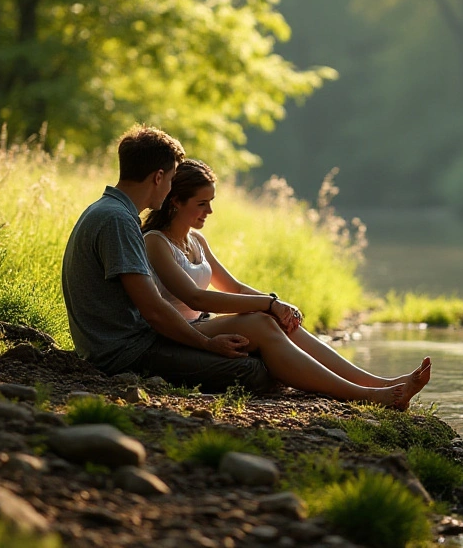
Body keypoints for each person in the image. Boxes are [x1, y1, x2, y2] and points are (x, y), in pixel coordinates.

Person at [142, 159, 431, 409]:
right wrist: (268, 304)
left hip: (202, 323)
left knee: (277, 321)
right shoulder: (156, 241)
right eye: (202, 204)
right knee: (262, 321)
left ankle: (382, 383)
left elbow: (235, 287)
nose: (210, 211)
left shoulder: (197, 240)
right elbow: (196, 299)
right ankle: (366, 395)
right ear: (176, 201)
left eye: (211, 203)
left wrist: (278, 307)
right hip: (179, 332)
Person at [61, 126, 275, 393]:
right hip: (125, 353)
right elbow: (154, 311)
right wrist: (207, 344)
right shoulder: (118, 220)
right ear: (158, 177)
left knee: (255, 351)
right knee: (253, 370)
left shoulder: (108, 210)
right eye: (173, 179)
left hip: (128, 343)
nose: (172, 187)